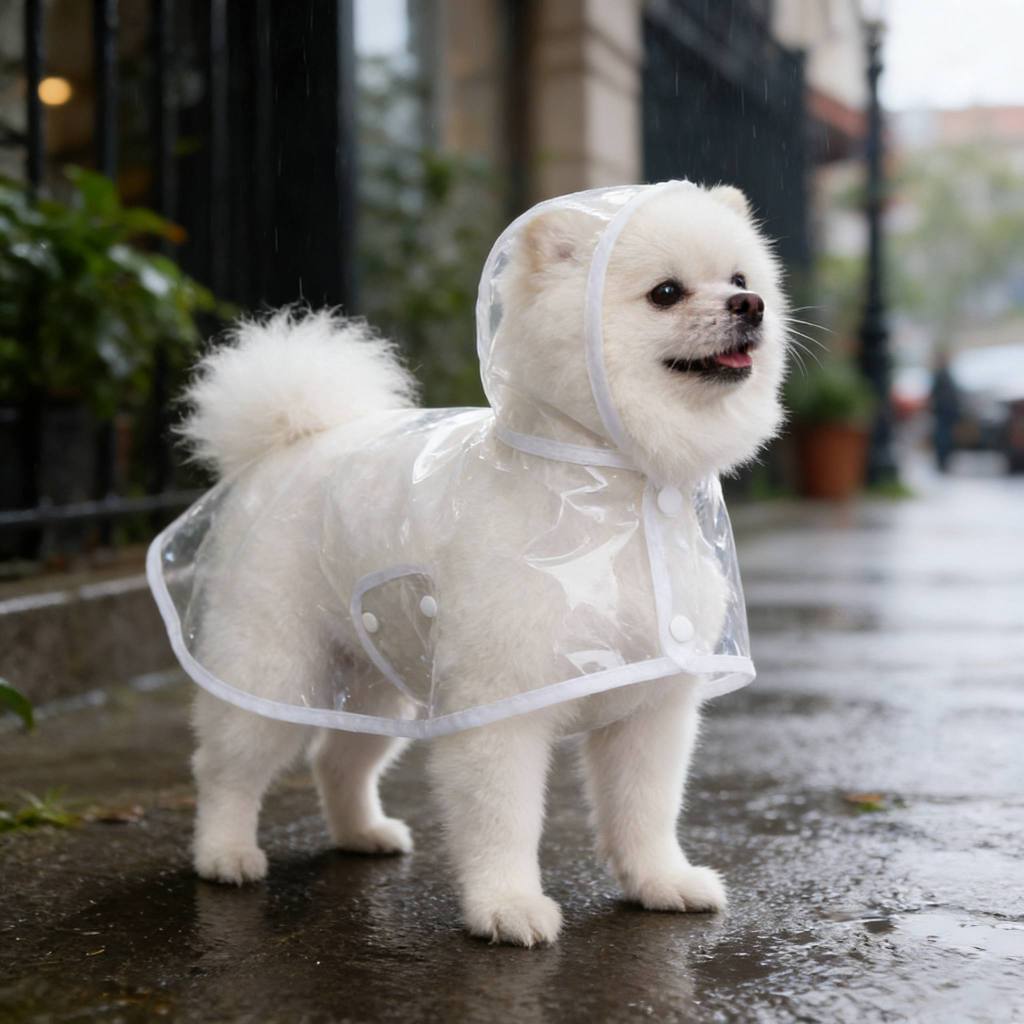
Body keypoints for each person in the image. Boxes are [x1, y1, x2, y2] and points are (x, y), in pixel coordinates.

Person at [930, 349, 960, 473]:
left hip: (946, 412)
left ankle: (943, 462)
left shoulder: (944, 374)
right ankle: (942, 462)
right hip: (943, 412)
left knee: (945, 437)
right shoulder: (942, 375)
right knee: (943, 437)